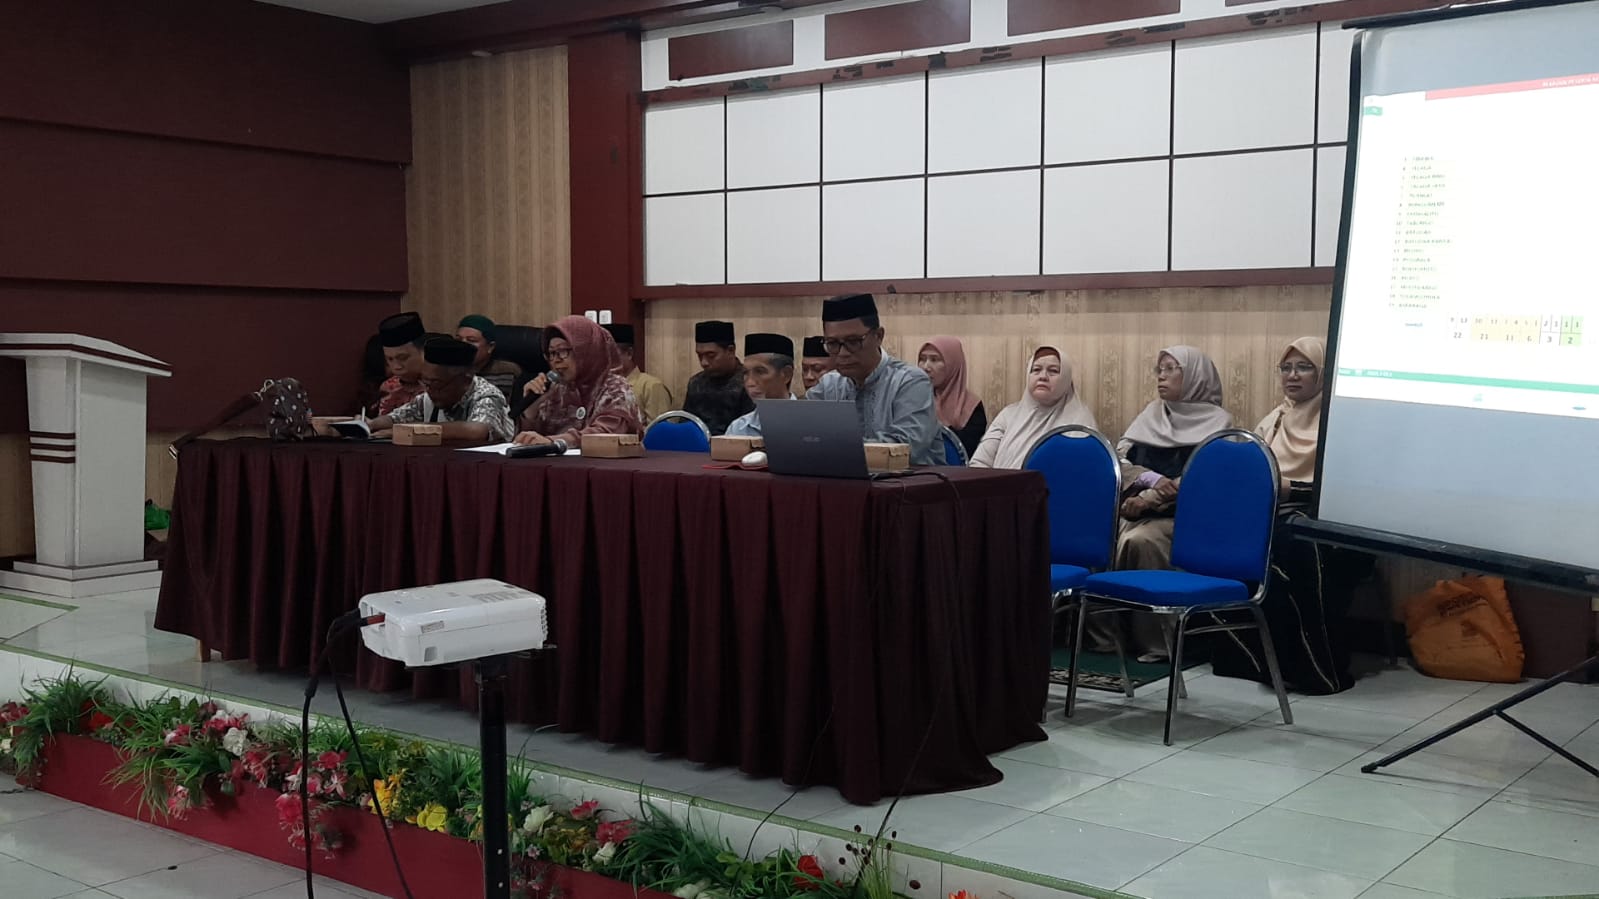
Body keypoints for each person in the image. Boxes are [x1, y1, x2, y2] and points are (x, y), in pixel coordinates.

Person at [1210, 337, 1369, 694]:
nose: (1292, 376)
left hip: (1333, 530)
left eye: (1304, 367)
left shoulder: (1339, 421)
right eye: (1286, 368)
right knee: (1230, 540)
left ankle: (1314, 667)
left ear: (1323, 373)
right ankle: (1253, 660)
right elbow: (1250, 470)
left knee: (1294, 547)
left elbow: (1350, 487)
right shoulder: (1276, 419)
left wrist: (1292, 491)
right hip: (1273, 520)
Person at [1086, 345, 1233, 659]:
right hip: (1135, 507)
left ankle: (1157, 642)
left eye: (1170, 369)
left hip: (1182, 518)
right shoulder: (1151, 415)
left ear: (1194, 376)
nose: (1161, 376)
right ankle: (1106, 638)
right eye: (1159, 369)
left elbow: (1201, 478)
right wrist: (1144, 482)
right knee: (1095, 535)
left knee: (1140, 540)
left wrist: (1150, 500)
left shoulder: (1219, 424)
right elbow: (1119, 462)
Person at [806, 294, 939, 465]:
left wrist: (832, 448)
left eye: (853, 341)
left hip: (911, 479)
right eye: (832, 343)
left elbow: (905, 448)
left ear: (878, 336)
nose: (843, 353)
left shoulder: (909, 381)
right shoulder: (828, 386)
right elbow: (803, 435)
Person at [513, 315, 643, 448]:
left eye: (563, 351)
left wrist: (554, 442)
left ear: (586, 351)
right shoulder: (555, 389)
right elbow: (529, 441)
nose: (556, 360)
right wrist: (531, 412)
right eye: (552, 353)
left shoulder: (615, 388)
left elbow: (605, 434)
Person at [361, 337, 515, 443]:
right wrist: (370, 424)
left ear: (465, 379)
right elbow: (396, 418)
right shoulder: (429, 396)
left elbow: (477, 431)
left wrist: (410, 431)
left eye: (436, 383)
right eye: (426, 382)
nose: (430, 390)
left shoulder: (487, 395)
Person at [970, 346, 1097, 469]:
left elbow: (1083, 472)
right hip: (1001, 484)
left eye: (1053, 371)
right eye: (1036, 369)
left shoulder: (1080, 420)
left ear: (1066, 378)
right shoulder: (1008, 416)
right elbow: (979, 463)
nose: (1043, 376)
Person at [683, 320, 754, 436]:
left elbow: (751, 429)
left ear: (731, 350)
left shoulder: (749, 383)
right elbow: (686, 425)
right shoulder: (696, 383)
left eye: (711, 355)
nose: (704, 362)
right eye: (699, 355)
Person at [919, 336, 988, 456]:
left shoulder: (971, 408)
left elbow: (965, 453)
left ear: (953, 365)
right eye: (922, 359)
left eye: (934, 360)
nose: (926, 367)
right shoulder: (913, 401)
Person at [725, 333, 795, 438]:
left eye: (760, 372)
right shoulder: (738, 429)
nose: (750, 383)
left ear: (786, 374)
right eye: (745, 373)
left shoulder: (810, 424)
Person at [603, 323, 673, 425]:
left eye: (611, 355)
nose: (606, 361)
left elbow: (660, 430)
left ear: (629, 353)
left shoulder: (651, 386)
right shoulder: (601, 387)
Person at [457, 314, 523, 401]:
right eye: (458, 340)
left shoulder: (510, 371)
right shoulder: (449, 370)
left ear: (490, 347)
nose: (463, 345)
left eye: (471, 340)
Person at [374, 312, 428, 416]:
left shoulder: (441, 385)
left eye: (403, 358)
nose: (396, 367)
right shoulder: (390, 387)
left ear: (423, 351)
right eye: (390, 359)